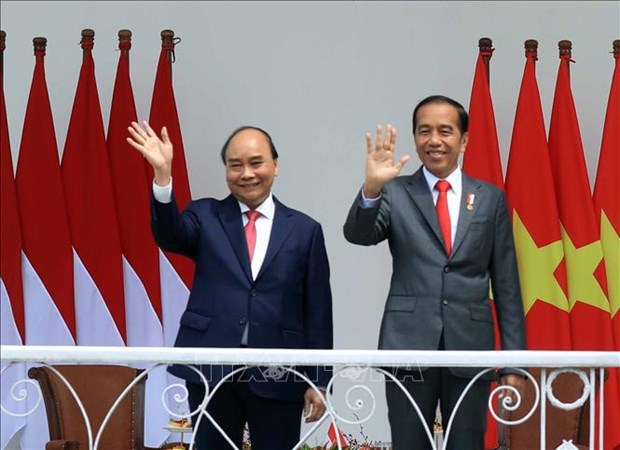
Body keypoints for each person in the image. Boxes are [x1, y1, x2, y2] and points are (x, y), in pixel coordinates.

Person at [127, 122, 333, 450]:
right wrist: (163, 175)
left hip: (279, 374)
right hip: (212, 370)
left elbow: (318, 311)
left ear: (275, 166)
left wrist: (319, 380)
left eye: (256, 162)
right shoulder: (205, 214)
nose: (246, 173)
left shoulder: (305, 230)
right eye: (235, 165)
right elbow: (170, 235)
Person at [343, 95, 526, 450]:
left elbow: (506, 285)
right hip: (408, 344)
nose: (434, 140)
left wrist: (514, 363)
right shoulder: (396, 192)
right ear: (414, 137)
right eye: (424, 131)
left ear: (464, 139)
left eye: (445, 131)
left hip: (470, 347)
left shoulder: (490, 199)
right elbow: (359, 235)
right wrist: (372, 188)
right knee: (409, 443)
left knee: (467, 444)